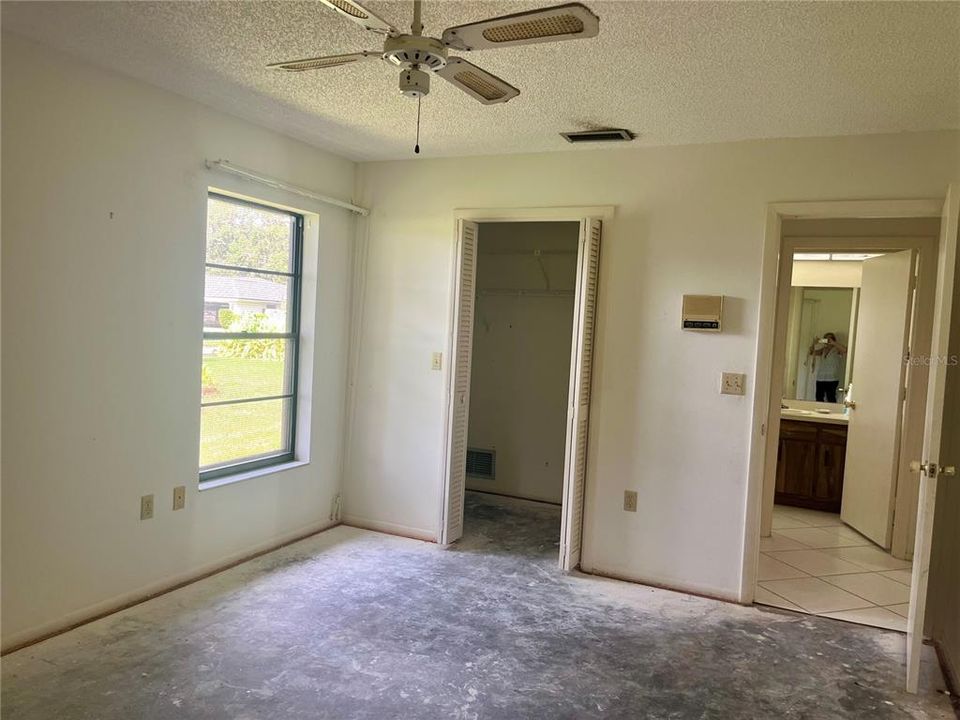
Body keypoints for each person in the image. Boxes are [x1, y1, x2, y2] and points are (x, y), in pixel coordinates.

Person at [809, 332, 847, 403]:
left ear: (833, 339)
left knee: (831, 398)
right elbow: (811, 352)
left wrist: (833, 343)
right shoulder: (823, 349)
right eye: (826, 338)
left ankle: (833, 413)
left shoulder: (837, 349)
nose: (828, 340)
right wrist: (814, 343)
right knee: (819, 397)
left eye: (830, 338)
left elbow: (845, 350)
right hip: (820, 378)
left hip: (832, 378)